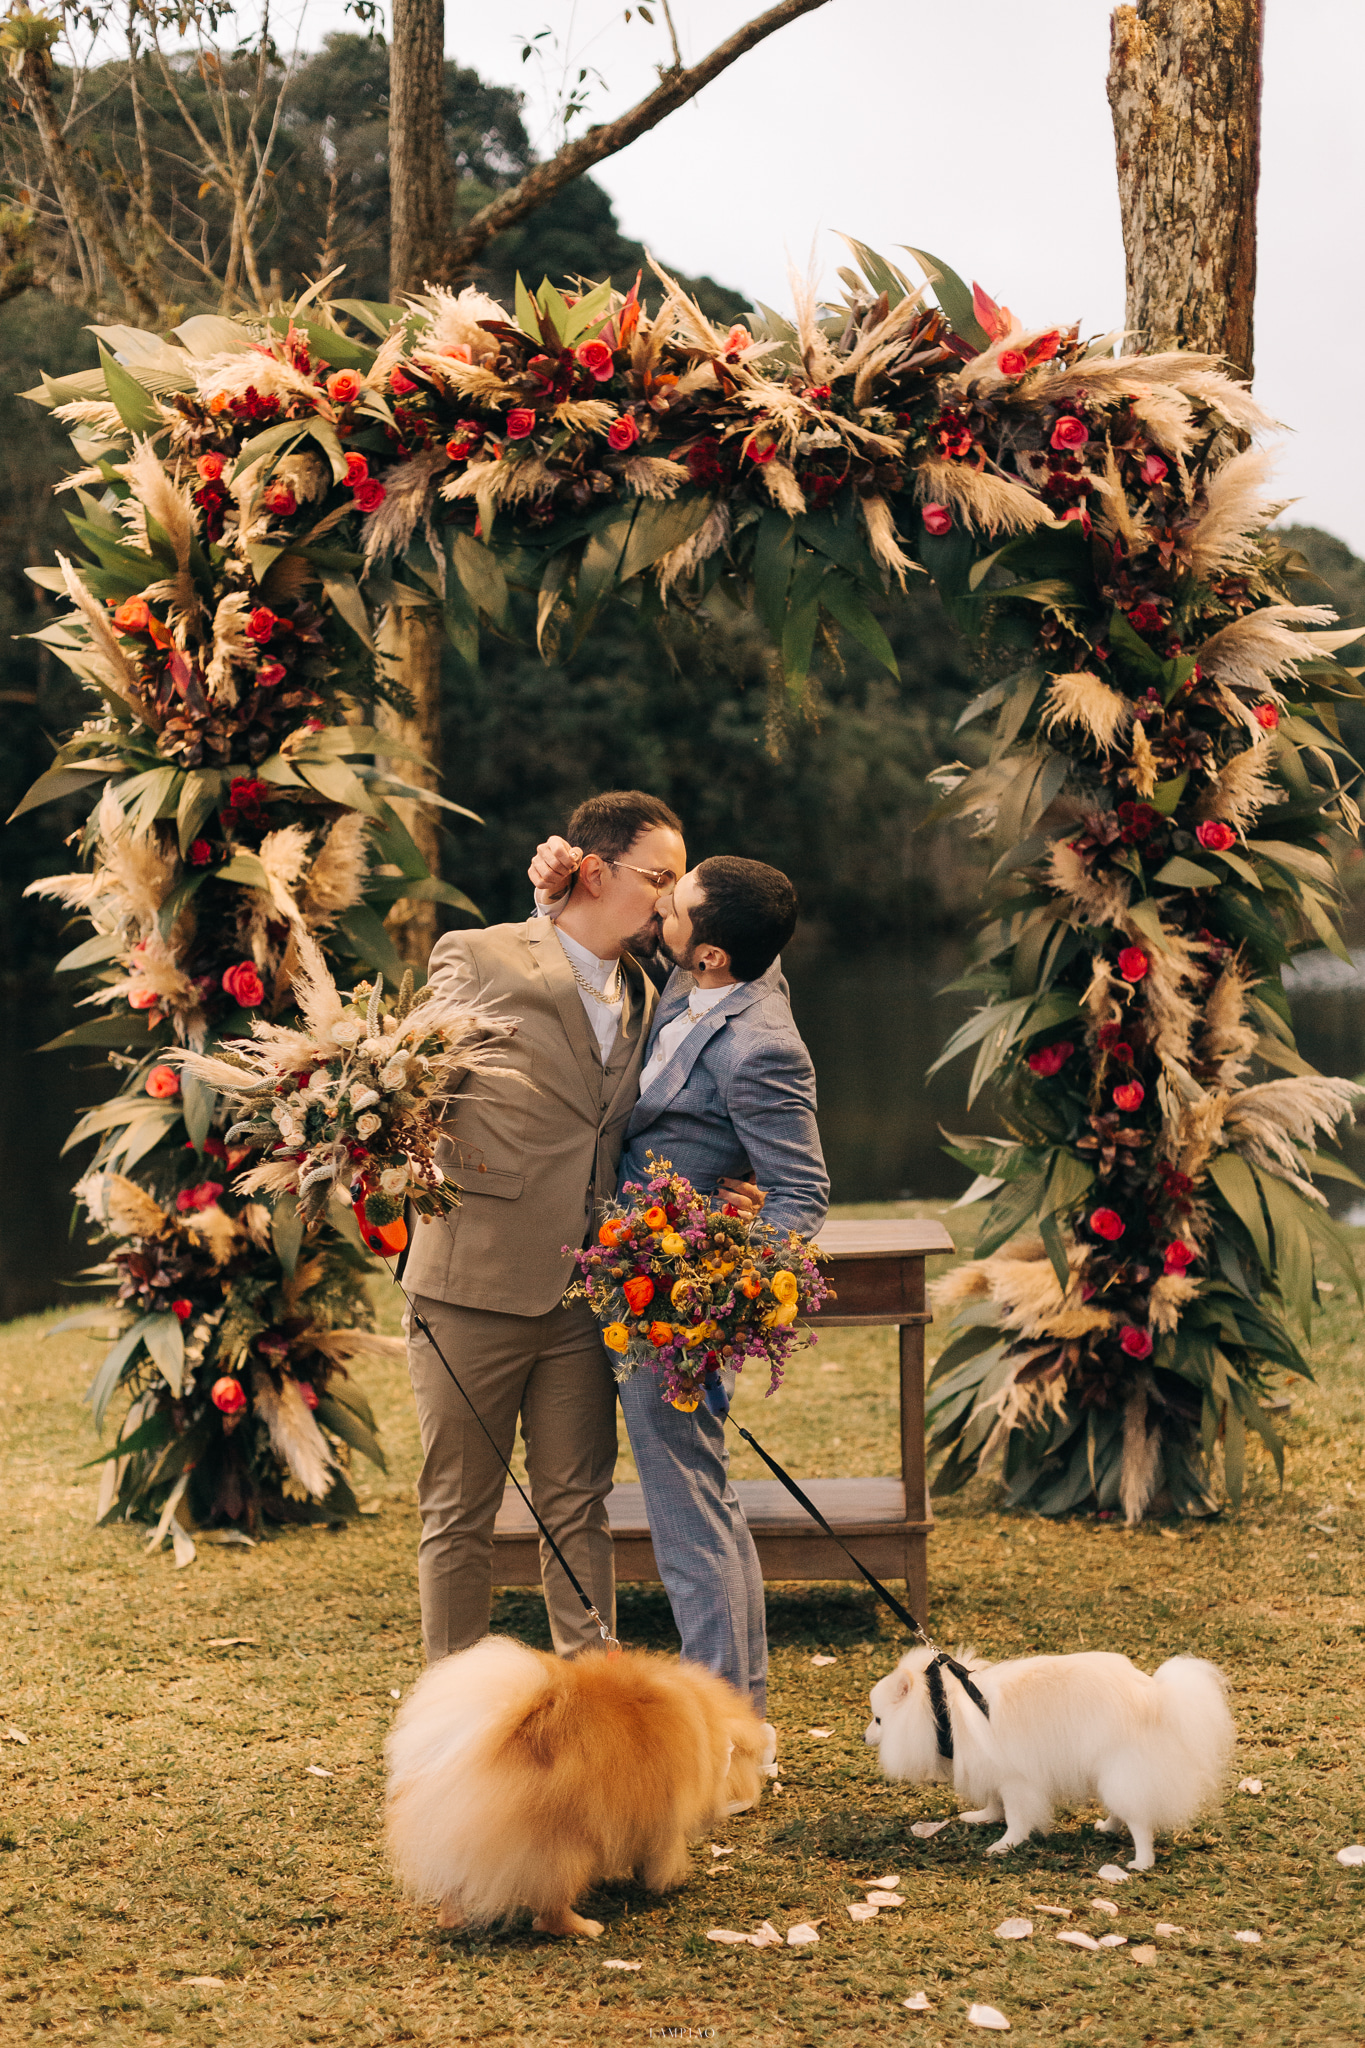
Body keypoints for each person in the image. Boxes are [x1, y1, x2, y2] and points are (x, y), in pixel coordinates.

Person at [403, 792, 763, 1667]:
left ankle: (588, 1709)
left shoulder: (655, 992)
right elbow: (402, 1085)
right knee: (457, 1512)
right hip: (469, 1289)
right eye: (661, 878)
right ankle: (450, 1722)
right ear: (593, 872)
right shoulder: (480, 954)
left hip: (585, 1294)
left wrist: (731, 1185)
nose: (674, 899)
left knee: (577, 1506)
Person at [529, 837, 829, 1718]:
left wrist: (720, 1275)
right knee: (699, 1498)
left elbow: (803, 1193)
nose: (655, 910)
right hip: (619, 1276)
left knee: (686, 1510)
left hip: (675, 1306)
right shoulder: (706, 983)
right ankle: (741, 1713)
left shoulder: (762, 1046)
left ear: (710, 953)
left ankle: (731, 1723)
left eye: (672, 907)